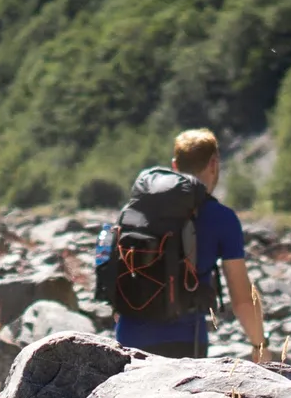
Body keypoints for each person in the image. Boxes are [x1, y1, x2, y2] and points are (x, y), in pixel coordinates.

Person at [112, 129, 268, 362]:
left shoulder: (139, 210)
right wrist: (260, 346)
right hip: (184, 342)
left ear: (175, 165)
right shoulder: (221, 218)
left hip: (128, 339)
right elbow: (242, 300)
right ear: (214, 164)